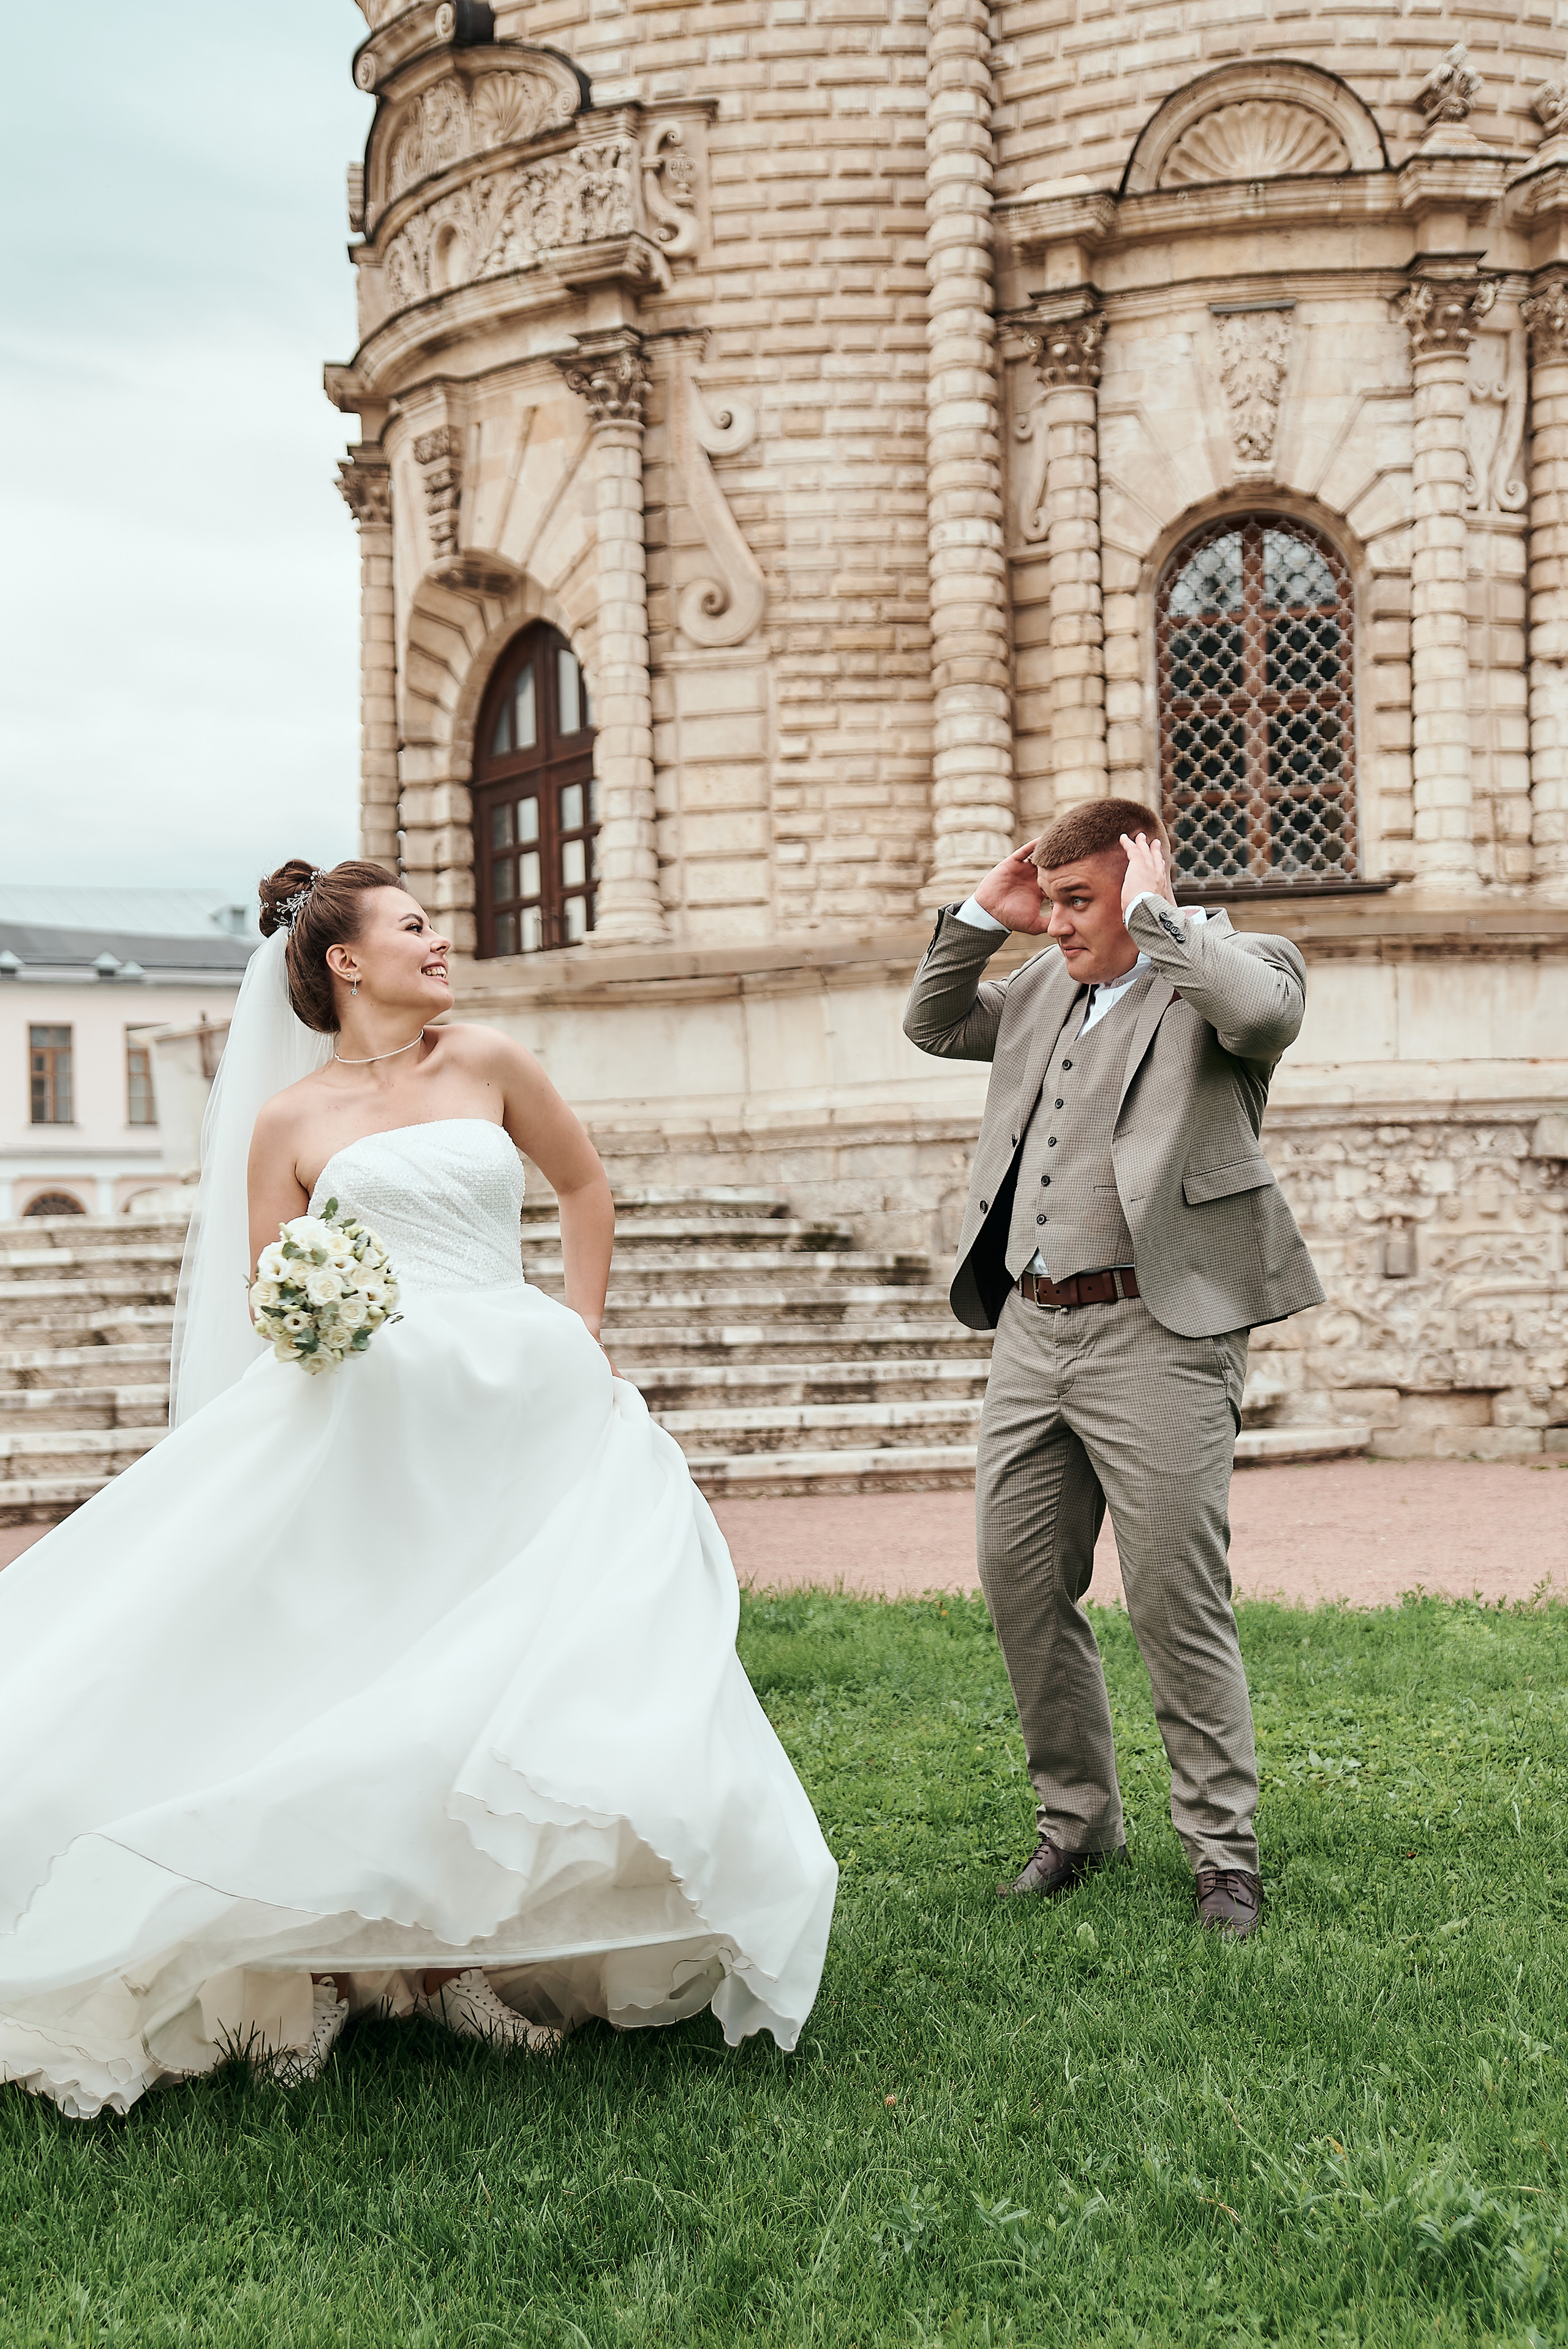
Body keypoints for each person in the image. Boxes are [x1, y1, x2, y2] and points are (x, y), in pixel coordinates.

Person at [0, 860, 836, 2118]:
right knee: (349, 1666)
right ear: (345, 961)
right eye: (412, 927)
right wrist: (313, 1313)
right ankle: (328, 1967)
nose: (439, 942)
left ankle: (457, 1966)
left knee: (499, 1672)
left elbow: (583, 1187)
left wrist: (580, 1329)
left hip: (518, 1404)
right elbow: (265, 1288)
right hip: (368, 1421)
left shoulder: (488, 1061)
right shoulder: (287, 1121)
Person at [902, 800, 1322, 1938]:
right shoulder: (1042, 985)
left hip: (1161, 1333)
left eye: (1077, 899)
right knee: (1020, 1581)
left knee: (1177, 1598)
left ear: (1143, 881)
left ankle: (1224, 1858)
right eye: (1049, 899)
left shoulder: (1235, 967)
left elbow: (1260, 1016)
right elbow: (934, 1025)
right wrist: (979, 919)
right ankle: (1077, 1823)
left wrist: (1161, 917)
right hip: (1033, 1331)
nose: (1059, 922)